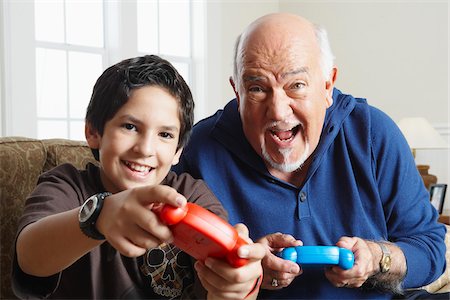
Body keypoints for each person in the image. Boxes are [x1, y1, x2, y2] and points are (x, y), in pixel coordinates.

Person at [172, 13, 447, 299]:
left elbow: (431, 250)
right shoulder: (199, 149)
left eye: (296, 85)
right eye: (257, 88)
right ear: (237, 92)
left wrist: (378, 258)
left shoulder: (373, 132)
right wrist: (243, 272)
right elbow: (175, 271)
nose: (278, 110)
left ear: (328, 86)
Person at [12, 55, 264, 299]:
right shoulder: (66, 185)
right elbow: (29, 258)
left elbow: (225, 278)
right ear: (93, 132)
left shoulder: (191, 195)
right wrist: (98, 216)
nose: (145, 149)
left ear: (178, 151)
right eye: (130, 127)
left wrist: (238, 283)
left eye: (165, 134)